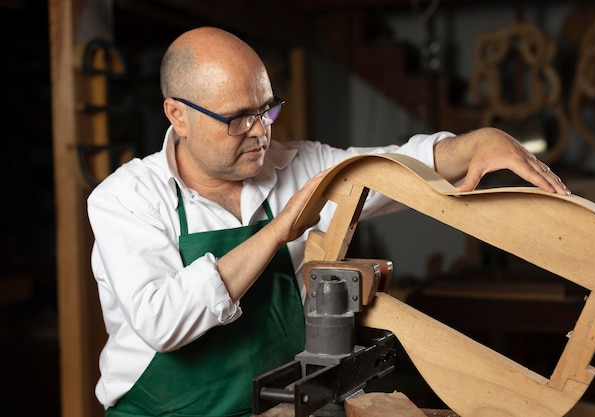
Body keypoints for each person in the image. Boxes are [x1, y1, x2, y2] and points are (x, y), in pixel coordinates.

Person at [87, 26, 570, 417]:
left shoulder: (295, 163)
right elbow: (162, 321)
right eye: (238, 119)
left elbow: (390, 168)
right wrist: (279, 231)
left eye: (266, 109)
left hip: (278, 408)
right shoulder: (126, 199)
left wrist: (477, 142)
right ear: (179, 115)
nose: (261, 132)